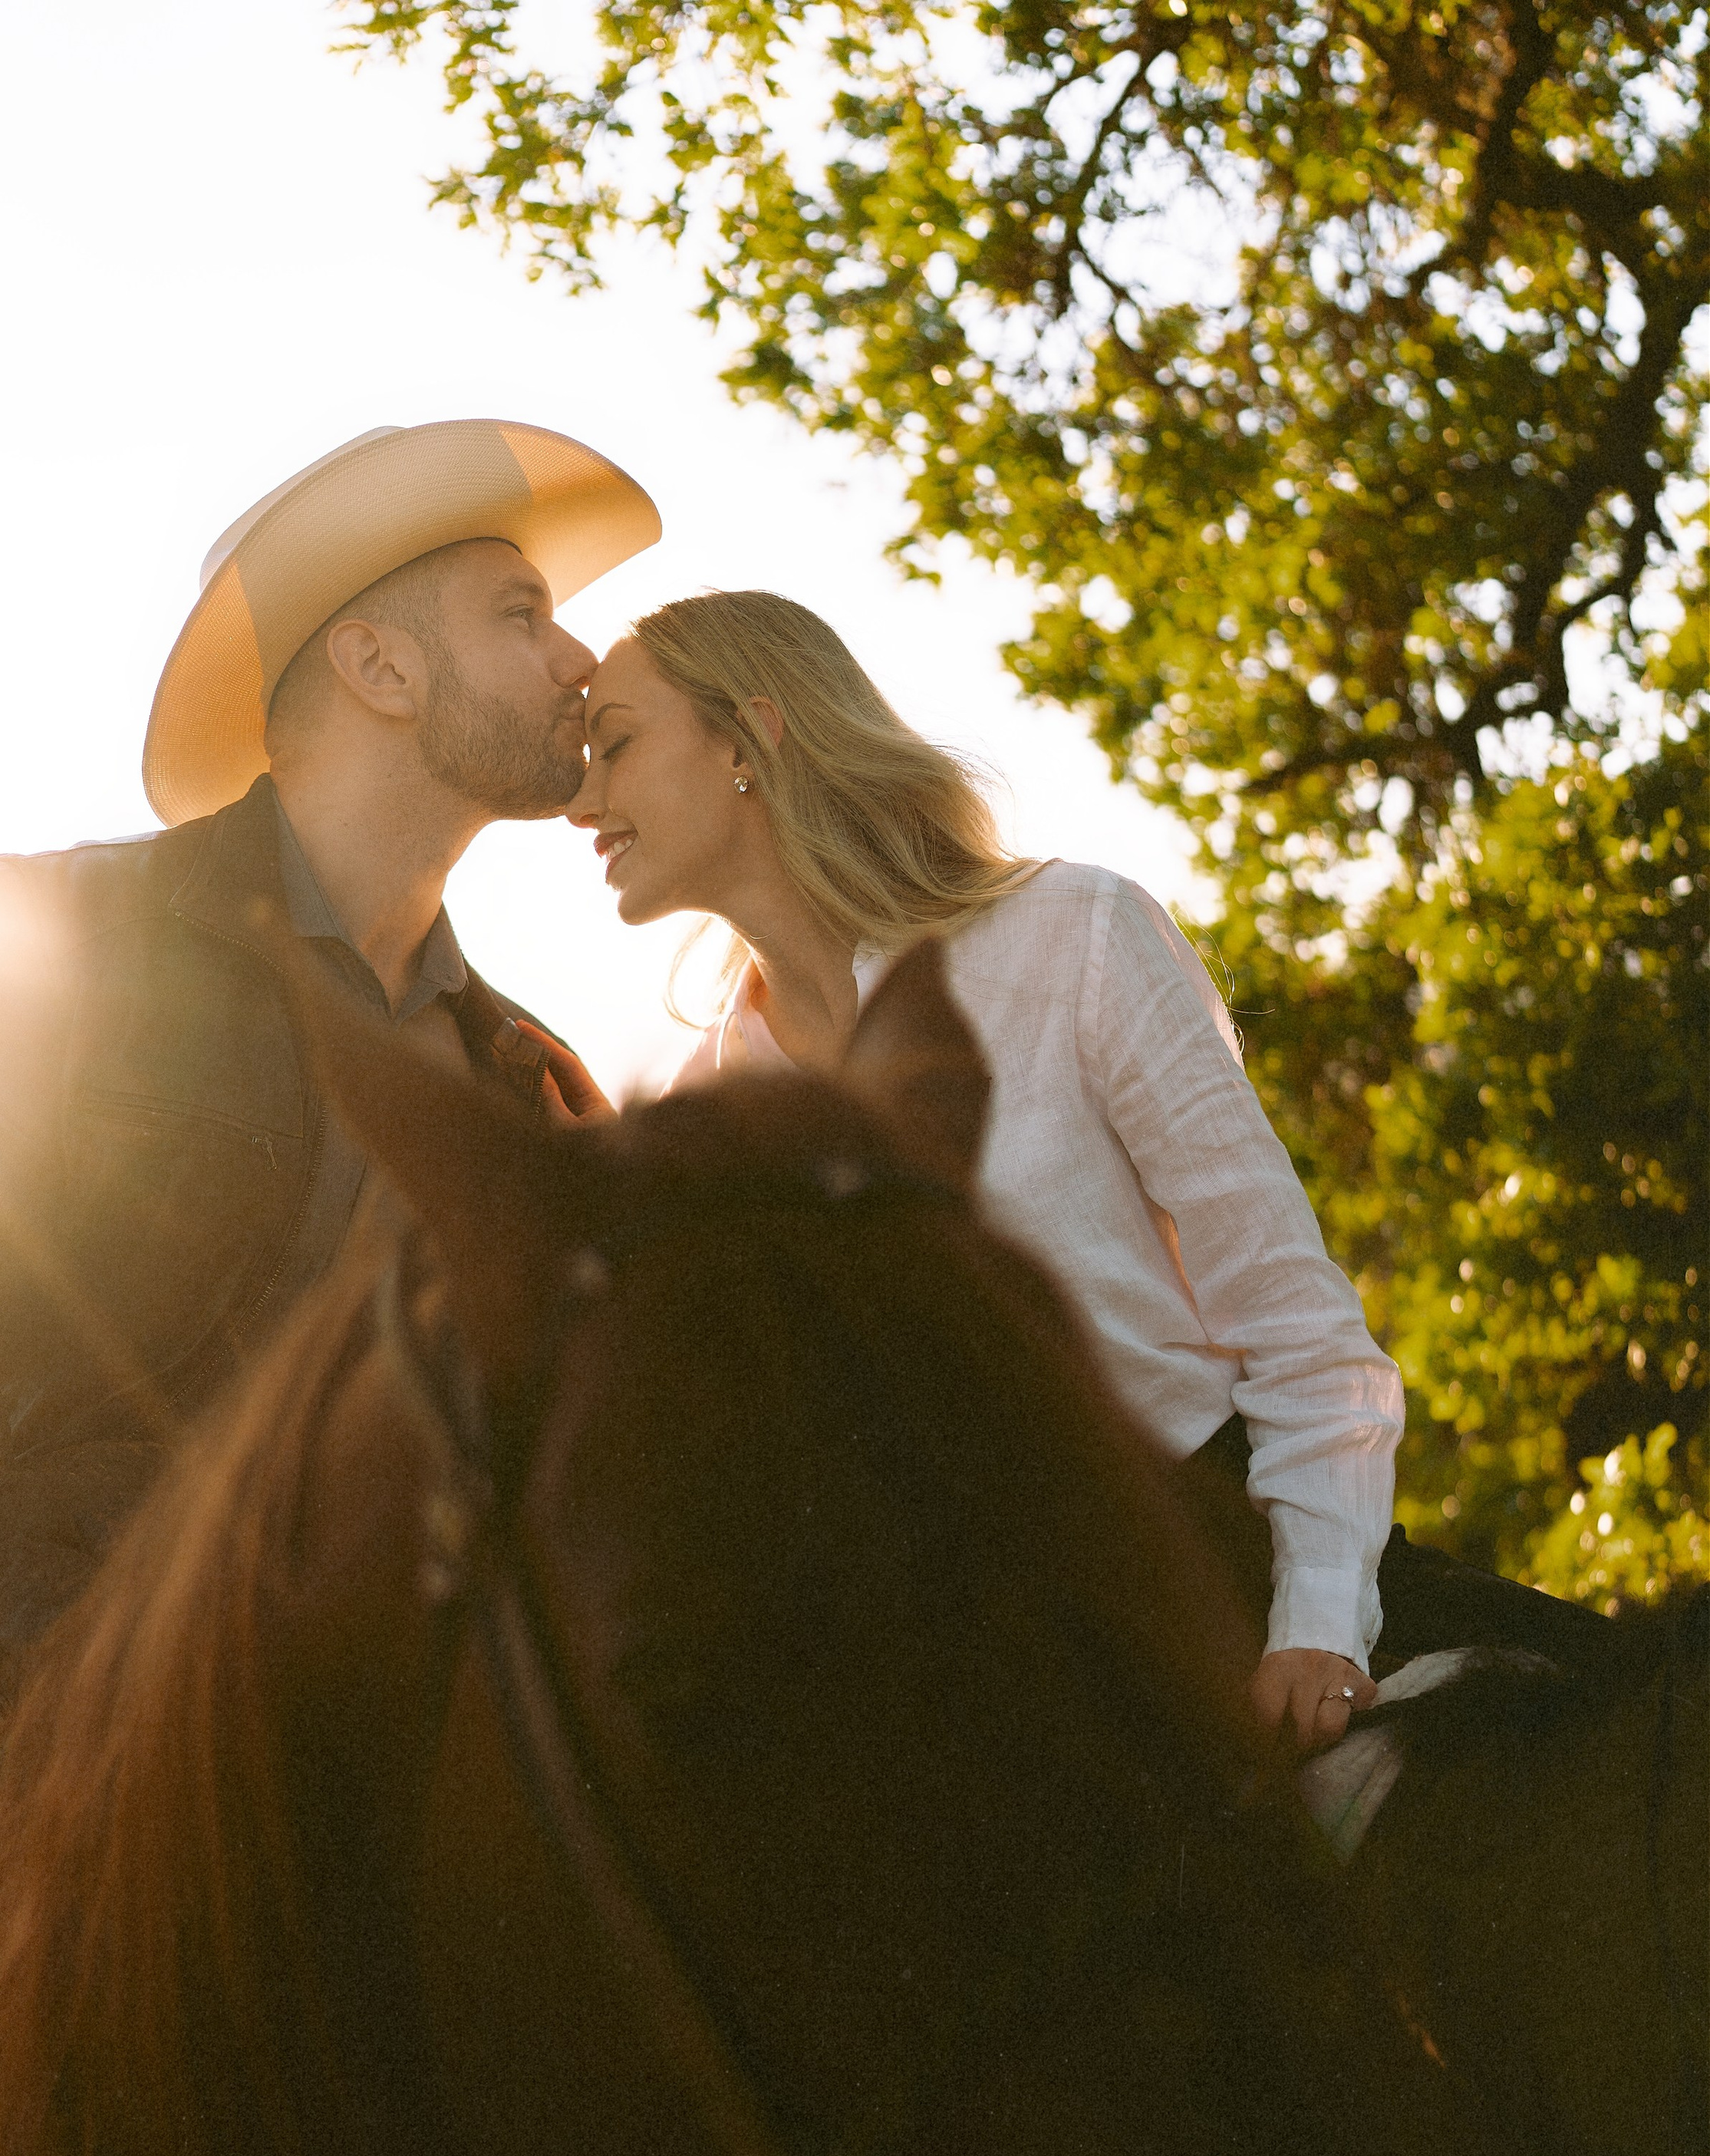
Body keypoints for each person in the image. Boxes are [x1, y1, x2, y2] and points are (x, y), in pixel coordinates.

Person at [0, 417, 660, 1978]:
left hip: (352, 1738)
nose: (578, 659)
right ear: (376, 668)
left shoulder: (530, 1089)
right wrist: (61, 1636)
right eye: (520, 614)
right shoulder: (43, 931)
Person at [568, 588, 1567, 1752]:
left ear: (749, 738)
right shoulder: (711, 1122)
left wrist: (1316, 1626)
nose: (583, 801)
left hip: (1246, 1590)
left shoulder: (1075, 937)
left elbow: (1302, 1337)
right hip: (993, 1704)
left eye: (617, 744)